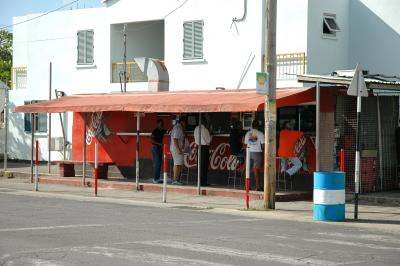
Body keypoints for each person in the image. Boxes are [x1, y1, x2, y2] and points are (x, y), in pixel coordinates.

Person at [244, 120, 265, 191]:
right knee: (256, 170)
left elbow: (245, 145)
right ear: (258, 126)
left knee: (248, 170)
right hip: (257, 152)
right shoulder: (260, 133)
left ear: (252, 125)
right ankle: (258, 187)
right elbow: (263, 146)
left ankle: (247, 186)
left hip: (249, 152)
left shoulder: (247, 133)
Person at [194, 117, 212, 186]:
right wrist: (211, 135)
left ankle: (199, 181)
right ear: (205, 122)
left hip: (198, 147)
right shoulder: (205, 130)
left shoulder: (196, 129)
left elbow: (195, 138)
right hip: (204, 148)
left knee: (199, 165)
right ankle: (203, 182)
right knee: (204, 166)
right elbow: (208, 140)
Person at [170, 117, 186, 185]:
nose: (186, 124)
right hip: (176, 148)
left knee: (178, 163)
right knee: (177, 163)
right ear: (182, 122)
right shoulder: (178, 128)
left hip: (176, 147)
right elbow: (175, 139)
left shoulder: (178, 127)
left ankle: (176, 179)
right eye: (185, 123)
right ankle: (175, 180)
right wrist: (178, 149)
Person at [151, 119, 166, 183]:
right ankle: (155, 179)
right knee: (157, 163)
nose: (161, 125)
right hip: (155, 148)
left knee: (159, 163)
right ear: (157, 124)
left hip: (159, 148)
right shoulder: (155, 131)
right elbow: (151, 140)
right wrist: (159, 143)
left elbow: (168, 131)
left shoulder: (162, 130)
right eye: (160, 124)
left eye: (162, 124)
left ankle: (158, 178)